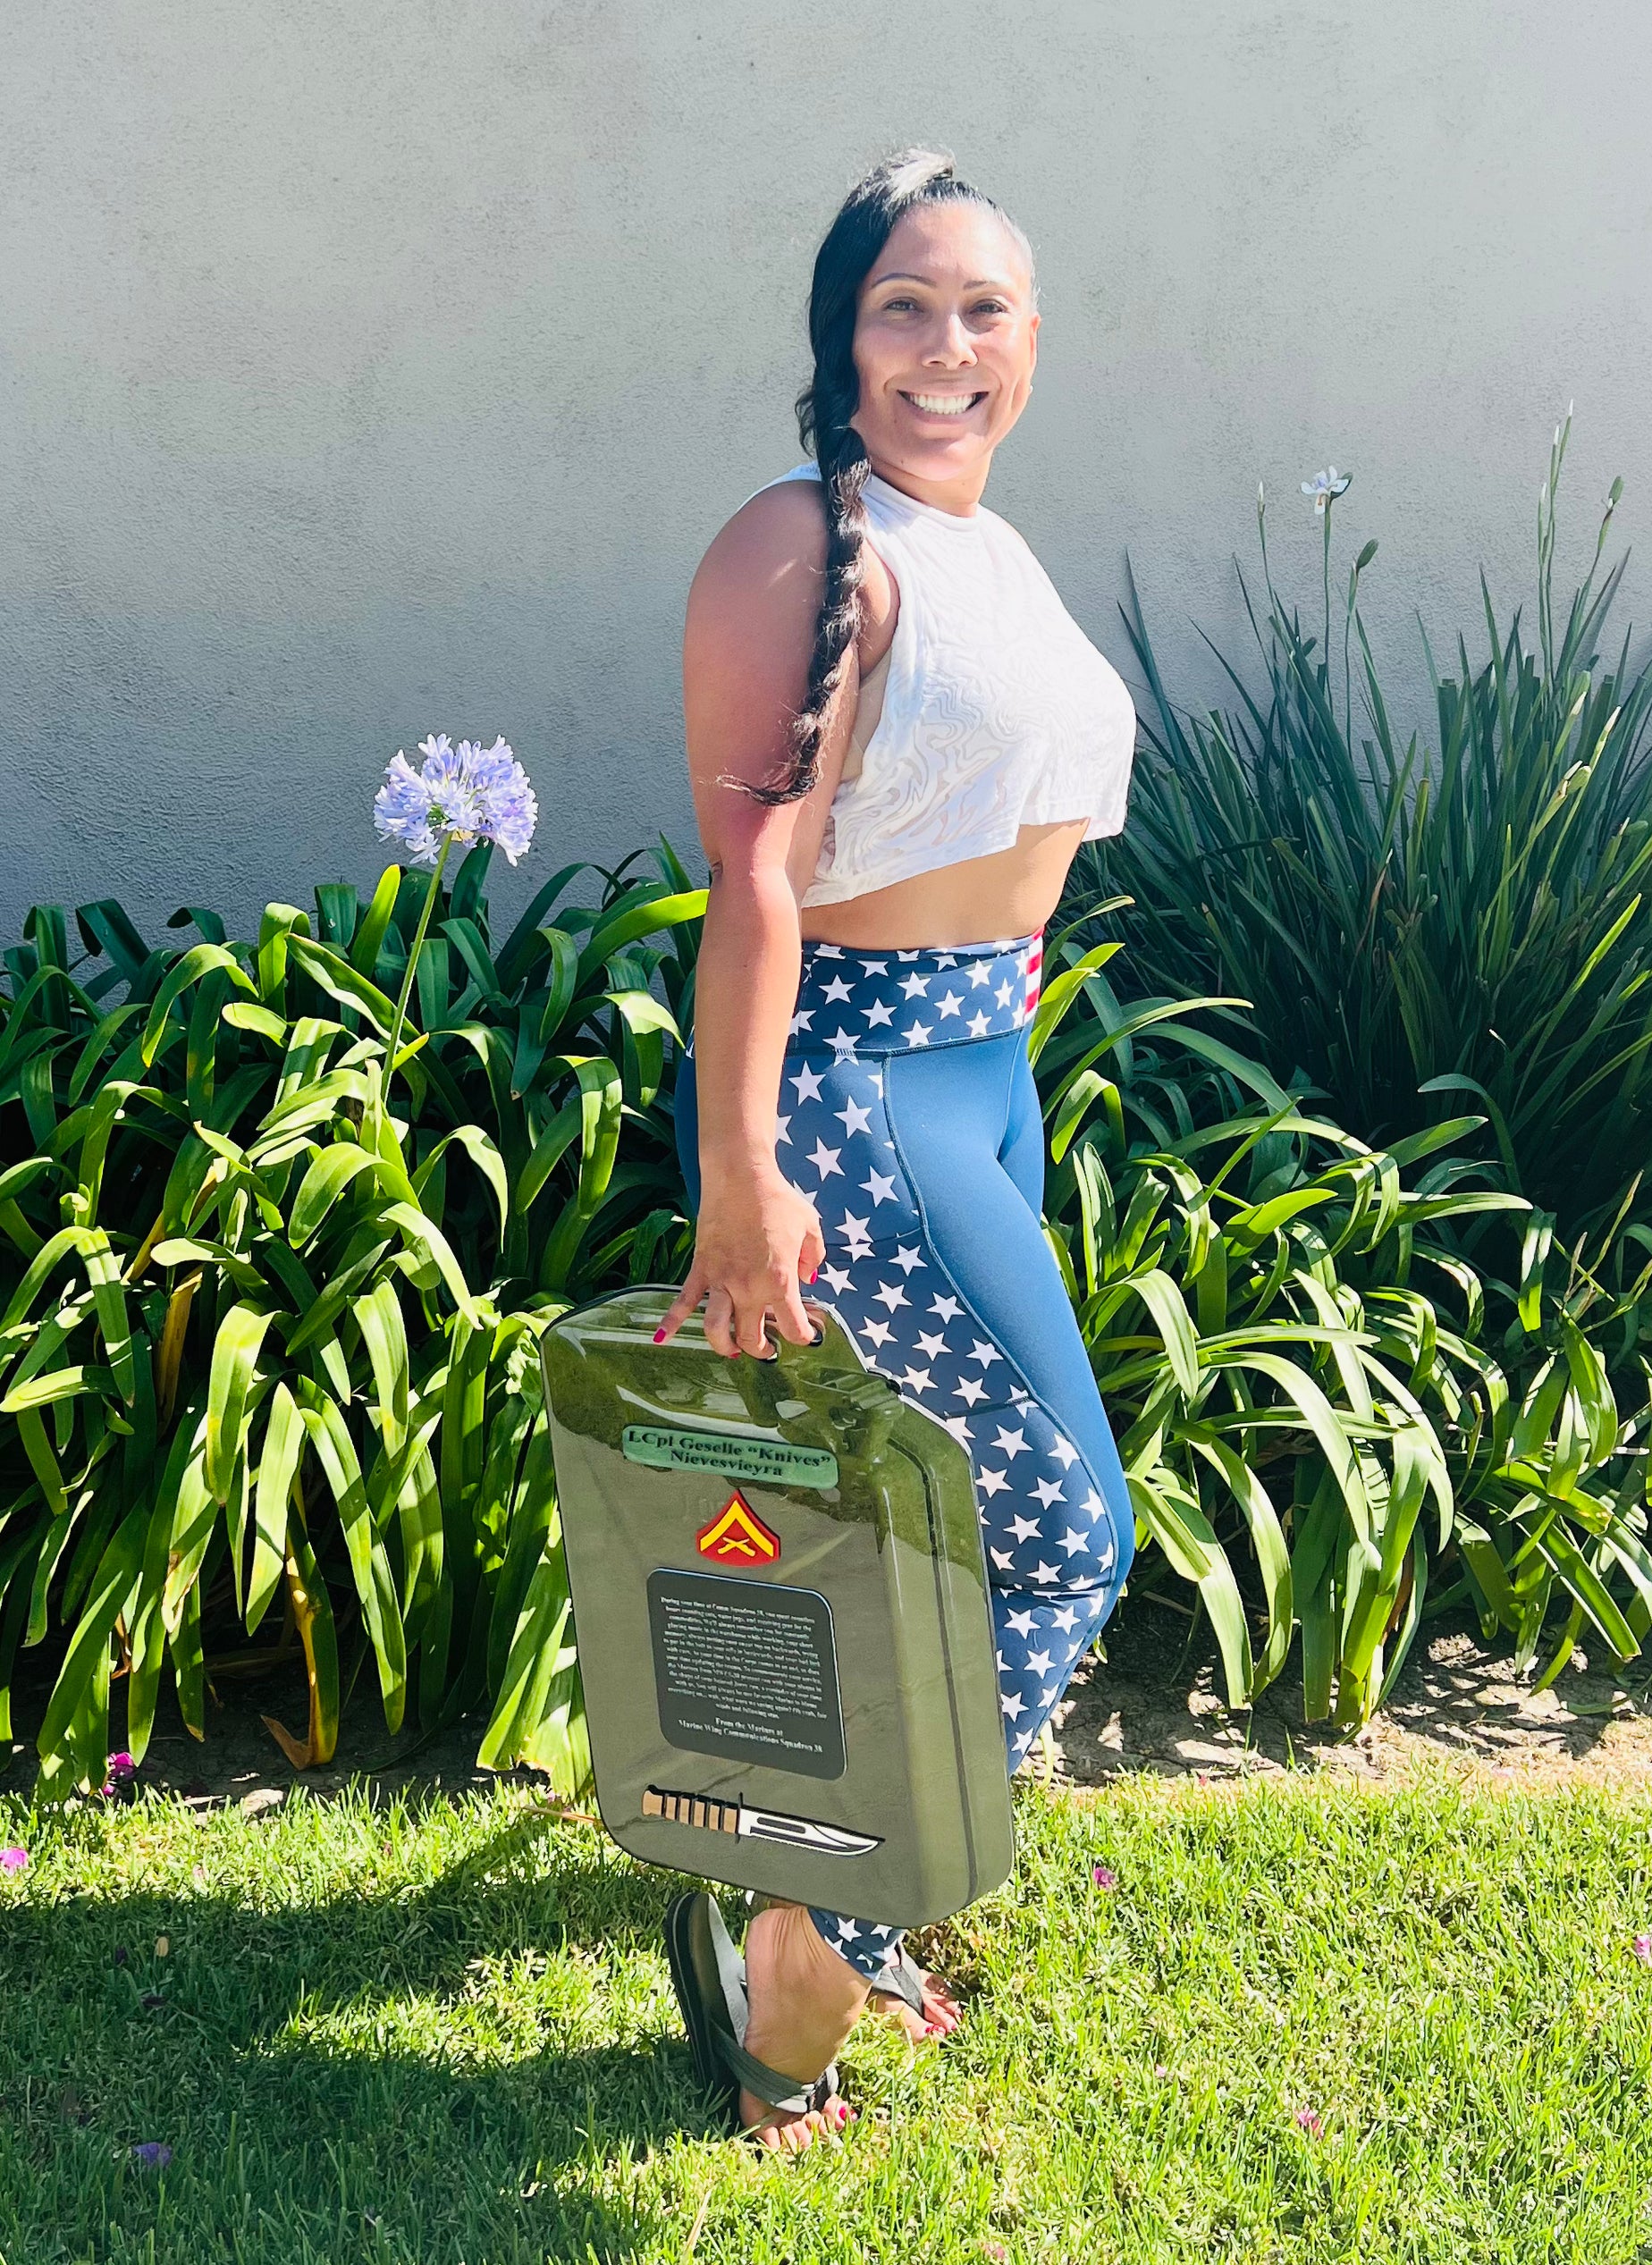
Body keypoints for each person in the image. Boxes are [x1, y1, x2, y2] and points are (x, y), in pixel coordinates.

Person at [657, 147, 1138, 2151]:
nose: (949, 346)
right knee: (1063, 1533)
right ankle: (808, 1945)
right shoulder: (805, 543)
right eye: (903, 306)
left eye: (984, 308)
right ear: (840, 339)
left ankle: (794, 1875)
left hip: (979, 1070)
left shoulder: (982, 548)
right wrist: (742, 1170)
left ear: (1034, 338)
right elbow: (755, 881)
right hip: (857, 1089)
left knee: (914, 1532)